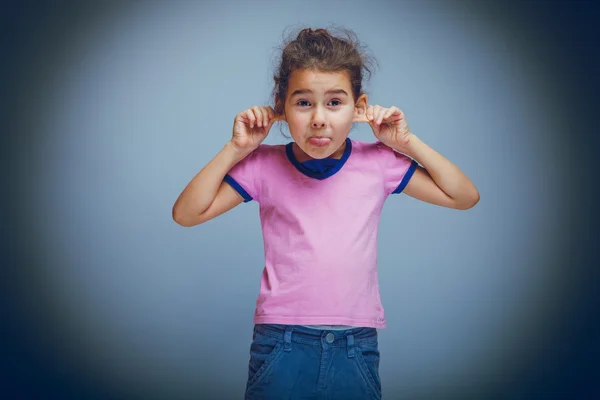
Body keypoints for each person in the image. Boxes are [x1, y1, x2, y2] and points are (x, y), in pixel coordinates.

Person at [173, 26, 479, 400]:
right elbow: (186, 214)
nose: (319, 118)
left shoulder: (379, 162)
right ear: (281, 108)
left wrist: (406, 142)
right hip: (281, 343)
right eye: (303, 103)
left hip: (355, 345)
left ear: (359, 108)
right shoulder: (262, 165)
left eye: (334, 102)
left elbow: (464, 196)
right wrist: (234, 150)